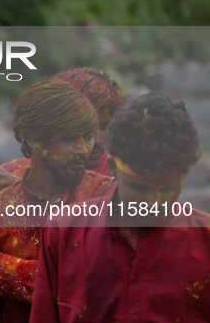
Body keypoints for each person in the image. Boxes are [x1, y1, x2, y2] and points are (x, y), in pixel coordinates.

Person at [0, 78, 117, 323]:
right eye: (69, 139)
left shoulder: (106, 197)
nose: (83, 149)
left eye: (87, 137)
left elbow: (89, 285)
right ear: (33, 139)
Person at [30, 92, 209, 322]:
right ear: (113, 167)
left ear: (184, 177)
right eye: (138, 188)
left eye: (166, 189)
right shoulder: (64, 229)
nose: (152, 205)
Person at [0, 67, 124, 201]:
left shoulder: (124, 181)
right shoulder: (4, 175)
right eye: (77, 131)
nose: (98, 140)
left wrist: (21, 194)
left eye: (104, 126)